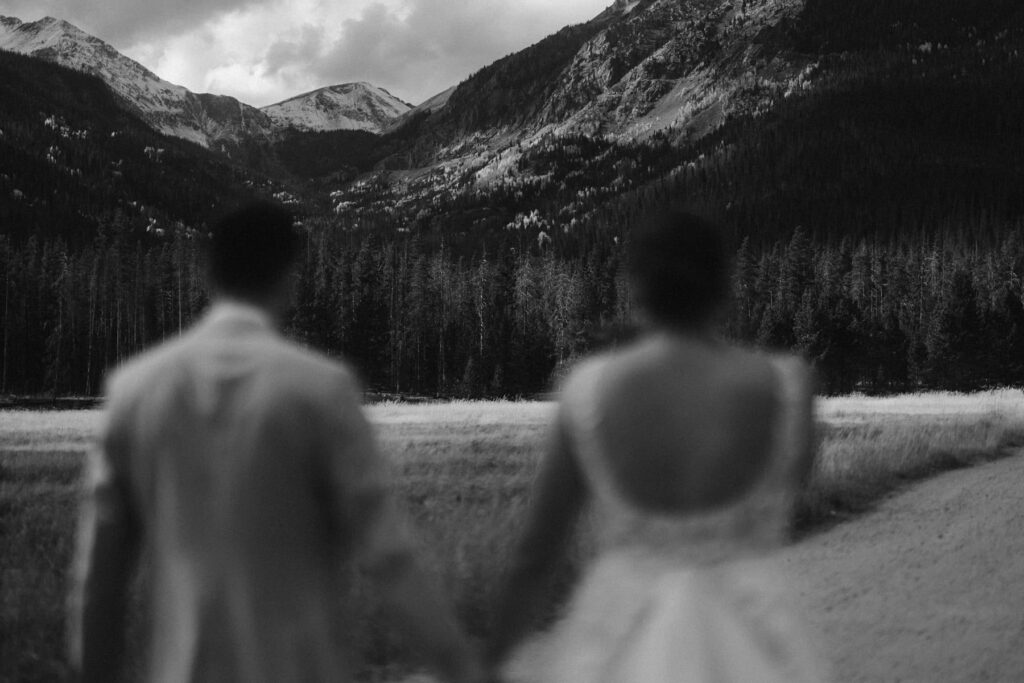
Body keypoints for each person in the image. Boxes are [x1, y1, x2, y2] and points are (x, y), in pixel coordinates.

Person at [67, 201, 482, 683]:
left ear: (209, 276)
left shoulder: (133, 390)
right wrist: (460, 667)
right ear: (289, 277)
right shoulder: (322, 389)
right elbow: (389, 556)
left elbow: (98, 582)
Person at [486, 209, 829, 682]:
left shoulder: (585, 390)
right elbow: (793, 485)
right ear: (722, 288)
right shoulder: (789, 386)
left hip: (622, 634)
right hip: (754, 635)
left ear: (638, 291)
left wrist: (488, 663)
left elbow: (536, 555)